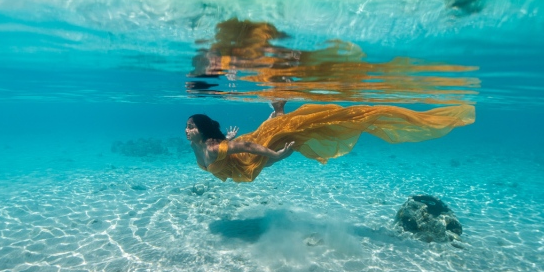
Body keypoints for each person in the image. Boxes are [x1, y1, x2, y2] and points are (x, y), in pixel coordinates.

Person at [186, 101, 475, 183]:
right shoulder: (203, 145)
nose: (186, 131)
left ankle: (280, 110)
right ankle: (278, 111)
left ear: (201, 131)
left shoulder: (214, 148)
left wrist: (277, 157)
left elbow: (247, 148)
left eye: (190, 127)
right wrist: (228, 139)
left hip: (248, 156)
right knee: (282, 128)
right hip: (239, 151)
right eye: (187, 127)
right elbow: (229, 147)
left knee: (299, 128)